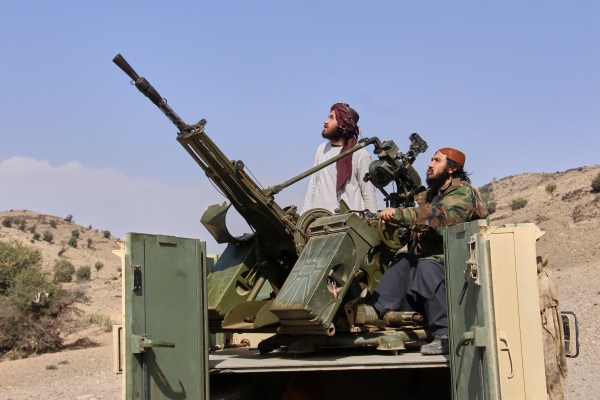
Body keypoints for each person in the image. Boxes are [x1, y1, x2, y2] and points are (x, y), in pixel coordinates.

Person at [362, 147, 488, 355]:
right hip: (435, 263)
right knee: (404, 260)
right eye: (430, 160)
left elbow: (442, 217)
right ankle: (373, 311)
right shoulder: (430, 196)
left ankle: (445, 334)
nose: (430, 164)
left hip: (461, 263)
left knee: (426, 265)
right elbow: (418, 217)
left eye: (436, 161)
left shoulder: (464, 192)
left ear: (451, 169)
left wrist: (400, 214)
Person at [300, 103, 377, 215]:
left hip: (349, 226)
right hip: (319, 223)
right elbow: (313, 187)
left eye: (331, 118)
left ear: (343, 124)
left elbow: (368, 194)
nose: (325, 121)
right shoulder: (321, 149)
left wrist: (372, 223)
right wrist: (304, 216)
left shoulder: (360, 154)